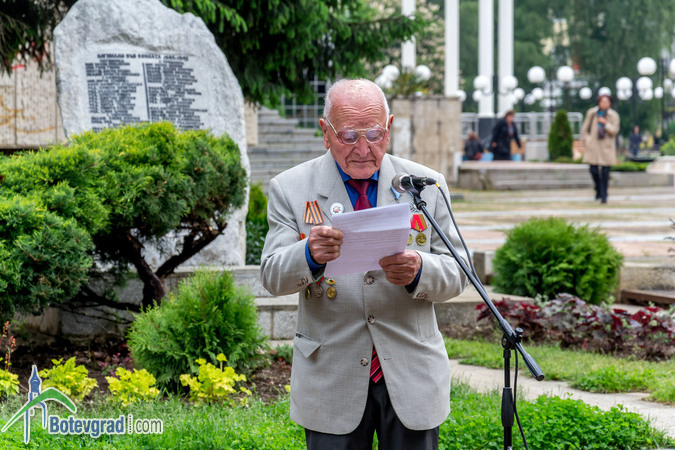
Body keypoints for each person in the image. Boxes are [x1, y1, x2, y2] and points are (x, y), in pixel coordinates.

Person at [260, 79, 469, 450]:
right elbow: (272, 276)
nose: (362, 149)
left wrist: (419, 270)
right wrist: (309, 254)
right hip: (331, 376)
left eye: (374, 134)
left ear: (389, 127)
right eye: (348, 135)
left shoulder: (424, 186)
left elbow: (459, 272)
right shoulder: (289, 187)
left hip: (411, 373)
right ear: (325, 133)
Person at [581, 94, 620, 203]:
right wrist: (588, 140)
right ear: (599, 102)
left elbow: (614, 131)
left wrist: (605, 123)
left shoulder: (613, 115)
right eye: (603, 101)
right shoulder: (592, 113)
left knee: (605, 173)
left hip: (606, 147)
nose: (605, 104)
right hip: (593, 145)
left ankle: (604, 195)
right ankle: (598, 189)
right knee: (593, 170)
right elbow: (584, 129)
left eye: (607, 102)